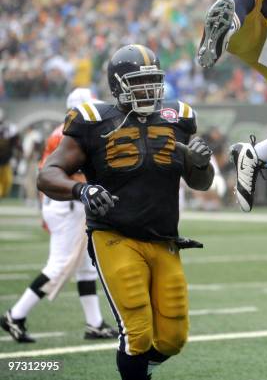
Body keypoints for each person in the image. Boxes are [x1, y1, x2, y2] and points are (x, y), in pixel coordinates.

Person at [37, 45, 215, 380]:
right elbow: (47, 174)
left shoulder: (178, 117)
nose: (149, 90)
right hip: (114, 235)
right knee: (137, 332)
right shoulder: (93, 120)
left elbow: (201, 182)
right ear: (118, 85)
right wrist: (82, 189)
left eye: (153, 81)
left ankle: (138, 371)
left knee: (173, 338)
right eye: (139, 82)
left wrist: (201, 164)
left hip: (164, 239)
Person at [0, 88, 117, 344]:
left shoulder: (65, 131)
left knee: (86, 267)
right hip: (66, 205)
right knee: (59, 265)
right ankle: (15, 315)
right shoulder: (68, 133)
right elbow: (61, 175)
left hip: (63, 204)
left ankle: (94, 323)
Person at [0, 108, 20, 198]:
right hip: (4, 160)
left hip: (6, 161)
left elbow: (16, 143)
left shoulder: (9, 129)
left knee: (7, 182)